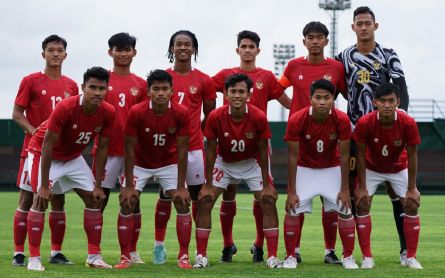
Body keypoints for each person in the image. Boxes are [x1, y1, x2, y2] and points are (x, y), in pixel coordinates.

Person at [336, 6, 410, 262]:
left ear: (375, 26)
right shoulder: (343, 56)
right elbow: (332, 90)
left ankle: (404, 250)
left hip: (388, 135)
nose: (364, 27)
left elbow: (401, 91)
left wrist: (399, 125)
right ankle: (358, 254)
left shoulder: (389, 55)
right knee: (358, 193)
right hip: (357, 135)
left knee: (396, 192)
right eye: (360, 23)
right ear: (353, 27)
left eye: (368, 23)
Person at [25, 67, 115, 271]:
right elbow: (47, 145)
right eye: (92, 87)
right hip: (43, 153)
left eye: (102, 88)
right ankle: (34, 258)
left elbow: (102, 148)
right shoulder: (66, 107)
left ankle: (94, 256)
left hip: (72, 157)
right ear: (83, 88)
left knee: (94, 198)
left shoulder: (108, 112)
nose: (97, 92)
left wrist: (99, 184)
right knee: (40, 200)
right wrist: (44, 184)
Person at [212, 30, 290, 263]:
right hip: (227, 145)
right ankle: (227, 245)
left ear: (258, 50)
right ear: (238, 50)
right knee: (229, 193)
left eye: (251, 47)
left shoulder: (266, 77)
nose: (247, 50)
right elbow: (206, 90)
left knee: (263, 197)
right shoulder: (226, 75)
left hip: (257, 147)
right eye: (243, 46)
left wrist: (307, 111)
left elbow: (286, 101)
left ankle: (259, 245)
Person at [193, 73, 280, 269]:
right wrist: (207, 185)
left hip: (252, 163)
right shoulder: (215, 116)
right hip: (224, 163)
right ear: (226, 94)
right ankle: (201, 255)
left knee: (268, 200)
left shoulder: (258, 116)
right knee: (205, 200)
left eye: (242, 91)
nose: (237, 95)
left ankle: (273, 256)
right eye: (233, 91)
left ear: (249, 95)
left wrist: (267, 184)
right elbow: (210, 151)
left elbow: (263, 149)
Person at [278, 21, 346, 264]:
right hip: (300, 134)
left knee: (331, 203)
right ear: (304, 40)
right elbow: (277, 89)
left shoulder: (337, 68)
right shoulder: (294, 65)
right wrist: (293, 107)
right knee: (300, 199)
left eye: (319, 37)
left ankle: (330, 251)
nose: (315, 41)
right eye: (310, 37)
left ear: (326, 41)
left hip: (327, 135)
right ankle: (293, 250)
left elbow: (348, 93)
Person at [12, 34, 78, 266]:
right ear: (43, 54)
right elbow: (17, 115)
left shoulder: (71, 85)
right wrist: (35, 134)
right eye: (51, 50)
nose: (55, 54)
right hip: (34, 151)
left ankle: (56, 252)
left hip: (59, 155)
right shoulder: (30, 81)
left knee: (58, 201)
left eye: (59, 50)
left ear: (65, 55)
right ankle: (19, 253)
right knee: (27, 198)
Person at [152, 30, 216, 264]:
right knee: (166, 196)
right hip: (167, 149)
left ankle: (196, 252)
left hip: (194, 147)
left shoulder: (204, 80)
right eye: (178, 44)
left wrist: (194, 130)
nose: (182, 48)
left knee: (198, 198)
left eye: (187, 44)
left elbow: (210, 115)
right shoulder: (161, 79)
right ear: (171, 48)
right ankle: (159, 247)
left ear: (194, 49)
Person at [118, 69, 192, 269]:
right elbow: (130, 148)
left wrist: (181, 186)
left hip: (168, 163)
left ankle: (183, 256)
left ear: (171, 91)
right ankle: (126, 256)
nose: (160, 93)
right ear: (148, 92)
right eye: (156, 89)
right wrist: (128, 184)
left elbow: (183, 150)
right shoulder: (137, 112)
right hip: (140, 163)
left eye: (164, 89)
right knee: (128, 201)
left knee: (182, 201)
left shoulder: (181, 113)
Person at [91, 32, 147, 264]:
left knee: (133, 200)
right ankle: (94, 251)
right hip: (106, 151)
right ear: (110, 52)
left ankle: (131, 252)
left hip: (133, 153)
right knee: (98, 199)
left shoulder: (142, 85)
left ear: (134, 52)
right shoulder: (101, 82)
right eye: (118, 49)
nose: (123, 54)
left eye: (127, 49)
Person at [353, 83, 422, 269]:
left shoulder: (408, 122)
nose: (386, 105)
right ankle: (367, 257)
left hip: (398, 167)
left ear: (398, 102)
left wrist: (412, 187)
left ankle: (411, 256)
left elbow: (413, 154)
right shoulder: (365, 122)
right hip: (371, 168)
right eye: (382, 101)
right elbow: (359, 154)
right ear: (375, 102)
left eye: (391, 101)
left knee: (412, 204)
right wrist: (361, 186)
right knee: (361, 203)